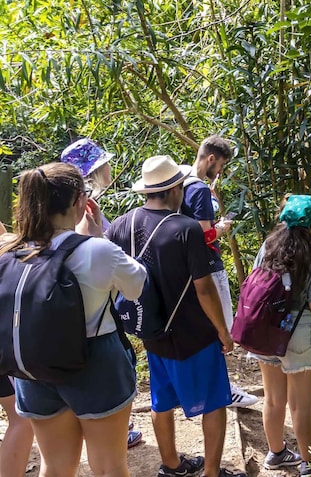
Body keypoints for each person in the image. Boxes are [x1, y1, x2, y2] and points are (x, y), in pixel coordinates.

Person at [3, 163, 146, 477]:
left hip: (34, 368)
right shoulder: (97, 250)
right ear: (80, 201)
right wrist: (99, 238)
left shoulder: (11, 250)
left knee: (54, 466)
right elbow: (136, 285)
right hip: (96, 364)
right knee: (110, 467)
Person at [107, 156, 243, 477]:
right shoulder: (186, 229)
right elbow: (204, 289)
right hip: (192, 332)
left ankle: (171, 466)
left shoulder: (120, 225)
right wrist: (223, 332)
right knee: (214, 400)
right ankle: (211, 471)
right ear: (175, 189)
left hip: (151, 330)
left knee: (161, 399)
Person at [61, 137, 144, 449]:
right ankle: (114, 430)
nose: (109, 169)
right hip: (95, 313)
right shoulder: (85, 214)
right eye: (102, 164)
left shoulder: (80, 210)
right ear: (91, 173)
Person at [249, 195, 311, 476]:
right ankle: (309, 463)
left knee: (273, 398)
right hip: (300, 331)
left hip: (267, 328)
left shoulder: (268, 246)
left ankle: (277, 453)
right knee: (301, 404)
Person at [180, 135, 258, 408]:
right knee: (219, 327)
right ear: (211, 158)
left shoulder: (179, 180)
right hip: (208, 266)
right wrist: (222, 228)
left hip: (186, 269)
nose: (221, 172)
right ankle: (223, 388)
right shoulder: (199, 189)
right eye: (221, 165)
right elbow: (204, 235)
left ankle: (212, 385)